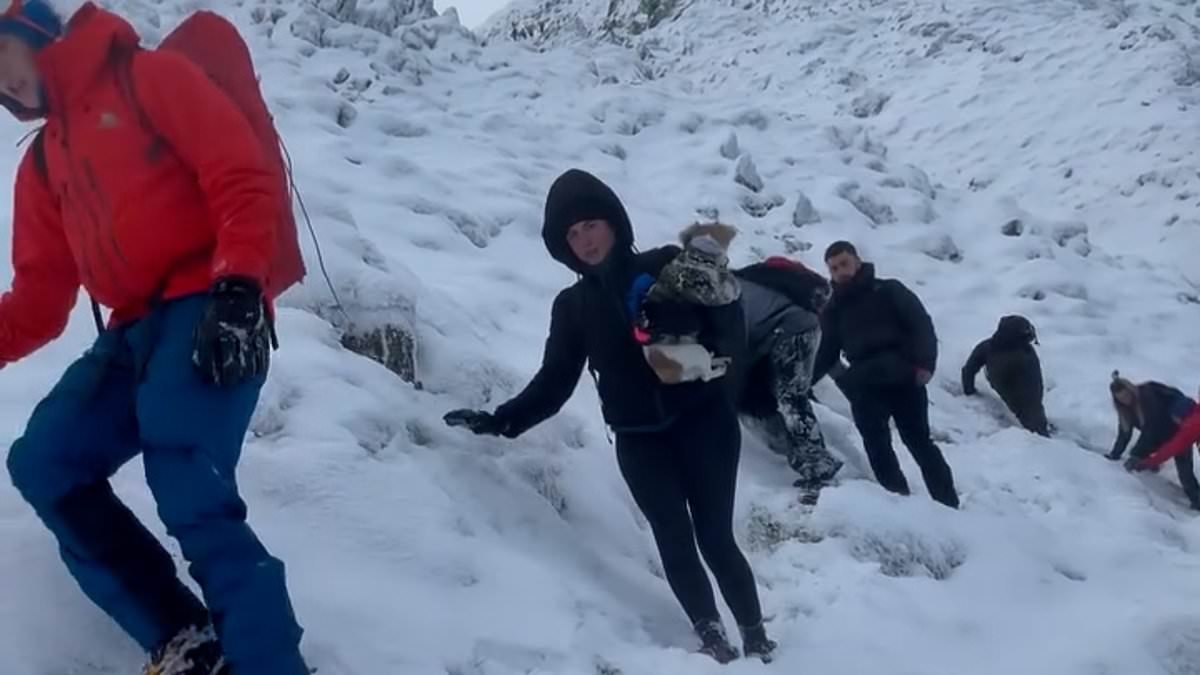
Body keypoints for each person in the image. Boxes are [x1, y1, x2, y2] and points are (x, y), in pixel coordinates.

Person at [0, 2, 307, 673]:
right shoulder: (43, 167)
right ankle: (181, 632)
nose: (0, 82)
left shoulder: (149, 78)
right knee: (44, 460)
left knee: (184, 474)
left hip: (211, 301)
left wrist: (238, 286)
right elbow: (39, 301)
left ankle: (268, 661)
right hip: (133, 329)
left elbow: (239, 172)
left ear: (33, 26)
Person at [444, 168, 776, 663]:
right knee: (673, 537)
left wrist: (683, 329)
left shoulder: (668, 265)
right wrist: (501, 420)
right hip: (639, 440)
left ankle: (756, 635)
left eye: (590, 225)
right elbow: (555, 382)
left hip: (705, 422)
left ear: (614, 223)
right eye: (571, 234)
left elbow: (730, 325)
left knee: (714, 537)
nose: (584, 240)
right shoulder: (573, 307)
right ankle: (712, 636)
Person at [811, 241, 959, 508]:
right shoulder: (833, 310)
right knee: (877, 447)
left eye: (844, 263)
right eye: (833, 268)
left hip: (903, 377)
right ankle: (900, 503)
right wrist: (803, 383)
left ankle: (949, 504)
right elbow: (826, 353)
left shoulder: (889, 290)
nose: (840, 271)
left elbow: (920, 324)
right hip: (865, 385)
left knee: (919, 443)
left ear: (857, 260)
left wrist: (925, 366)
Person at [732, 256, 842, 502]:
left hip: (794, 327)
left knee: (791, 397)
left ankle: (818, 467)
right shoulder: (724, 287)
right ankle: (792, 453)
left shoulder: (722, 295)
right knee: (753, 399)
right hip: (771, 331)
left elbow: (732, 341)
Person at [1107, 373, 1200, 510]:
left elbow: (1152, 428)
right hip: (1165, 437)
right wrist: (1115, 455)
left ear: (1130, 389)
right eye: (1121, 399)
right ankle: (1151, 474)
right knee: (1140, 457)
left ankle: (1197, 501)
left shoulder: (1148, 395)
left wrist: (1141, 456)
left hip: (1174, 432)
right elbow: (1124, 434)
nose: (1125, 400)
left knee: (1185, 472)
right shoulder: (1126, 411)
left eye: (1126, 396)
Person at [961, 314, 1050, 436]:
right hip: (1023, 398)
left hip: (1009, 388)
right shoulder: (1026, 354)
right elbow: (1035, 390)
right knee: (1035, 424)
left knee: (1031, 417)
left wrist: (969, 390)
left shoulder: (987, 347)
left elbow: (968, 370)